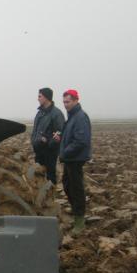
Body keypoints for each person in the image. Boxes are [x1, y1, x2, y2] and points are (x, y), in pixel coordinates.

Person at [59, 89, 92, 235]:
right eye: (64, 102)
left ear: (76, 100)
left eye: (68, 101)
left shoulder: (80, 117)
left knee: (76, 190)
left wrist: (65, 153)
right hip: (69, 159)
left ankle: (79, 223)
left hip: (75, 159)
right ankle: (76, 215)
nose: (66, 105)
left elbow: (80, 141)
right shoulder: (72, 117)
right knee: (67, 186)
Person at [31, 88, 65, 184]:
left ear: (46, 97)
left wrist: (49, 143)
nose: (38, 99)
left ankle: (51, 196)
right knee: (38, 175)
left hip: (49, 152)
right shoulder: (40, 113)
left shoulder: (56, 114)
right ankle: (41, 197)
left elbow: (60, 132)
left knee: (50, 176)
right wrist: (34, 141)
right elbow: (35, 131)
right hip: (38, 150)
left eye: (40, 96)